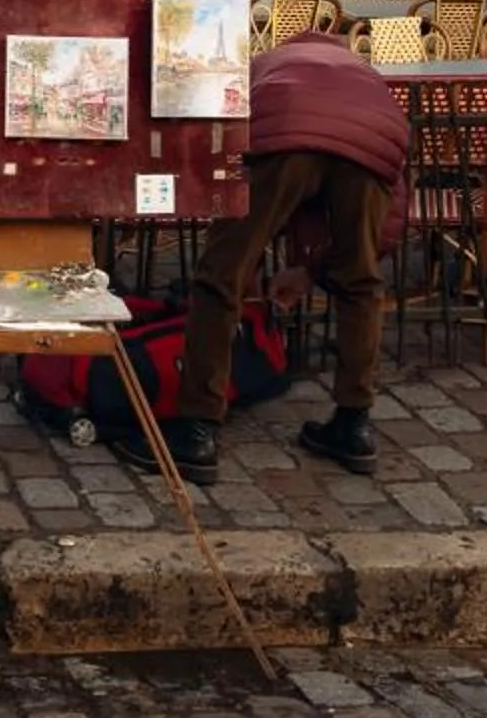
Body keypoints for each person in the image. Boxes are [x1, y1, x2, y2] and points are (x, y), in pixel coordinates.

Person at [114, 32, 406, 485]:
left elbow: (232, 140)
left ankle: (196, 430)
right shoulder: (365, 78)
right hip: (373, 146)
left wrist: (246, 257)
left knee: (219, 279)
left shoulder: (266, 65)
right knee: (361, 283)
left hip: (282, 134)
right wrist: (313, 269)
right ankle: (354, 423)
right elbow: (386, 219)